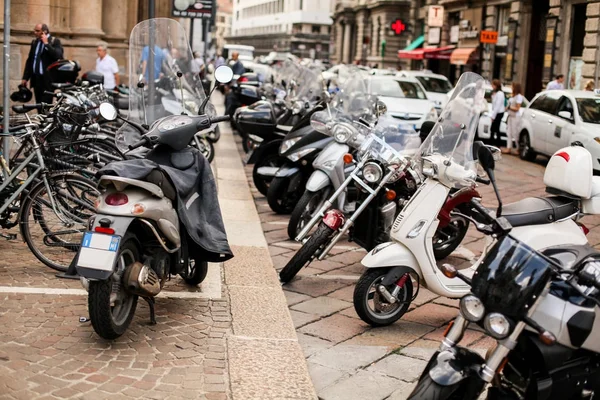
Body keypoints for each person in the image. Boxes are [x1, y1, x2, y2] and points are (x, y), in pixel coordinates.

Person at [21, 23, 63, 104]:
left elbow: (58, 55)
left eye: (37, 31)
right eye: (34, 30)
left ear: (44, 32)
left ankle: (46, 116)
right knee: (38, 103)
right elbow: (30, 60)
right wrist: (25, 77)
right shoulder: (35, 42)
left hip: (48, 79)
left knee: (46, 103)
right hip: (36, 78)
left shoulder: (55, 41)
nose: (34, 32)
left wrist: (46, 44)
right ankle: (40, 116)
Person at [505, 82, 524, 155]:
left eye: (512, 87)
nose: (511, 88)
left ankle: (518, 148)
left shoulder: (519, 96)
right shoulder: (513, 96)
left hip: (515, 117)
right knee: (509, 132)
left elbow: (517, 108)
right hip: (510, 116)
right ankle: (508, 147)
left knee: (515, 133)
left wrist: (510, 107)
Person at [490, 79, 505, 148]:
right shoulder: (496, 93)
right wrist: (493, 96)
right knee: (494, 129)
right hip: (496, 112)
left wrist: (493, 116)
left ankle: (495, 144)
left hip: (499, 113)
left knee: (494, 129)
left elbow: (497, 106)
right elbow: (493, 104)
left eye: (493, 85)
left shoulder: (500, 94)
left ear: (496, 85)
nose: (492, 86)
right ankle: (495, 144)